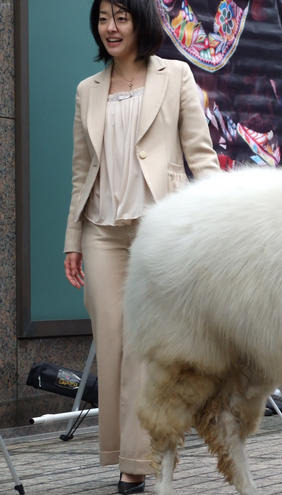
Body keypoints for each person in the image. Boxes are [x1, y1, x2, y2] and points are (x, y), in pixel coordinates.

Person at [63, 1, 219, 493]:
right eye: (103, 18)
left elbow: (200, 154)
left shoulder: (175, 75)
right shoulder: (86, 90)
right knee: (111, 345)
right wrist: (72, 239)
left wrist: (217, 218)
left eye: (121, 16)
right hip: (101, 232)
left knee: (142, 352)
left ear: (140, 22)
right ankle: (124, 453)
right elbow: (80, 172)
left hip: (158, 229)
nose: (110, 27)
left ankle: (135, 466)